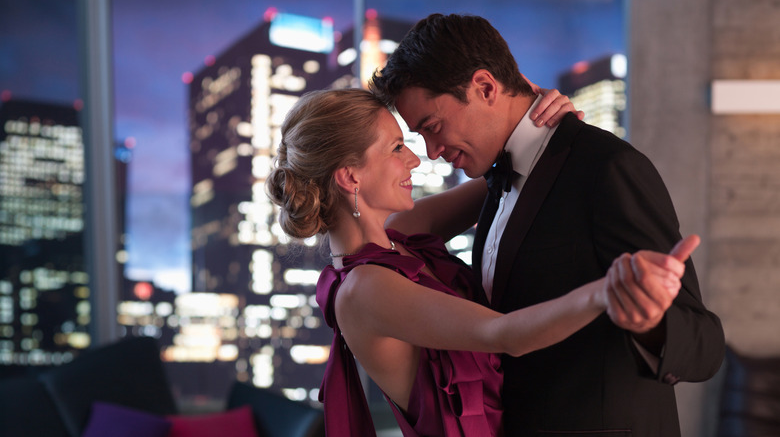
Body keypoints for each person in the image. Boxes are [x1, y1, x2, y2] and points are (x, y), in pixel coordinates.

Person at [369, 13, 725, 437]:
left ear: (485, 87)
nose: (430, 151)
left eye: (432, 127)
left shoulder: (606, 168)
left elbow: (704, 344)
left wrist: (650, 320)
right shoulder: (496, 180)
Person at [266, 88, 698, 436]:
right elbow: (505, 333)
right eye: (397, 147)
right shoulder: (365, 291)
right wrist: (608, 289)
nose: (415, 159)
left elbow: (520, 173)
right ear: (349, 176)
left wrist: (546, 125)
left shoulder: (402, 232)